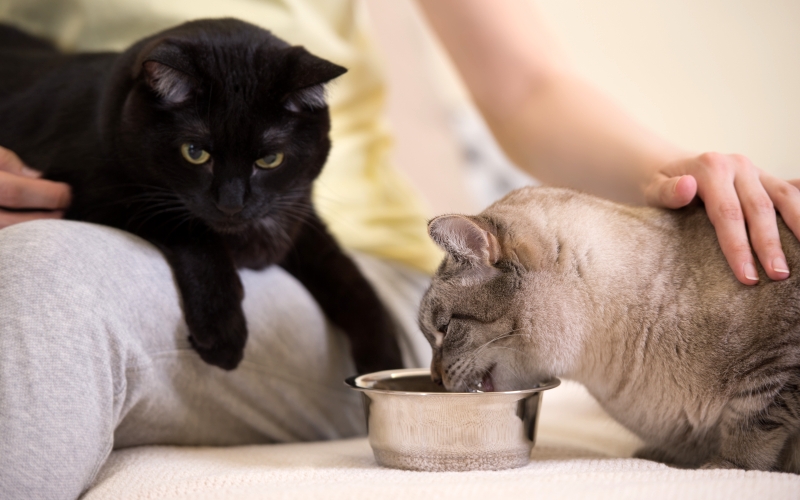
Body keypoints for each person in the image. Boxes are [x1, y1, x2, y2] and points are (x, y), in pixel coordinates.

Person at [0, 1, 797, 499]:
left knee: (45, 282)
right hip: (85, 215)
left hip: (338, 287)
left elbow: (528, 88)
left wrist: (682, 182)